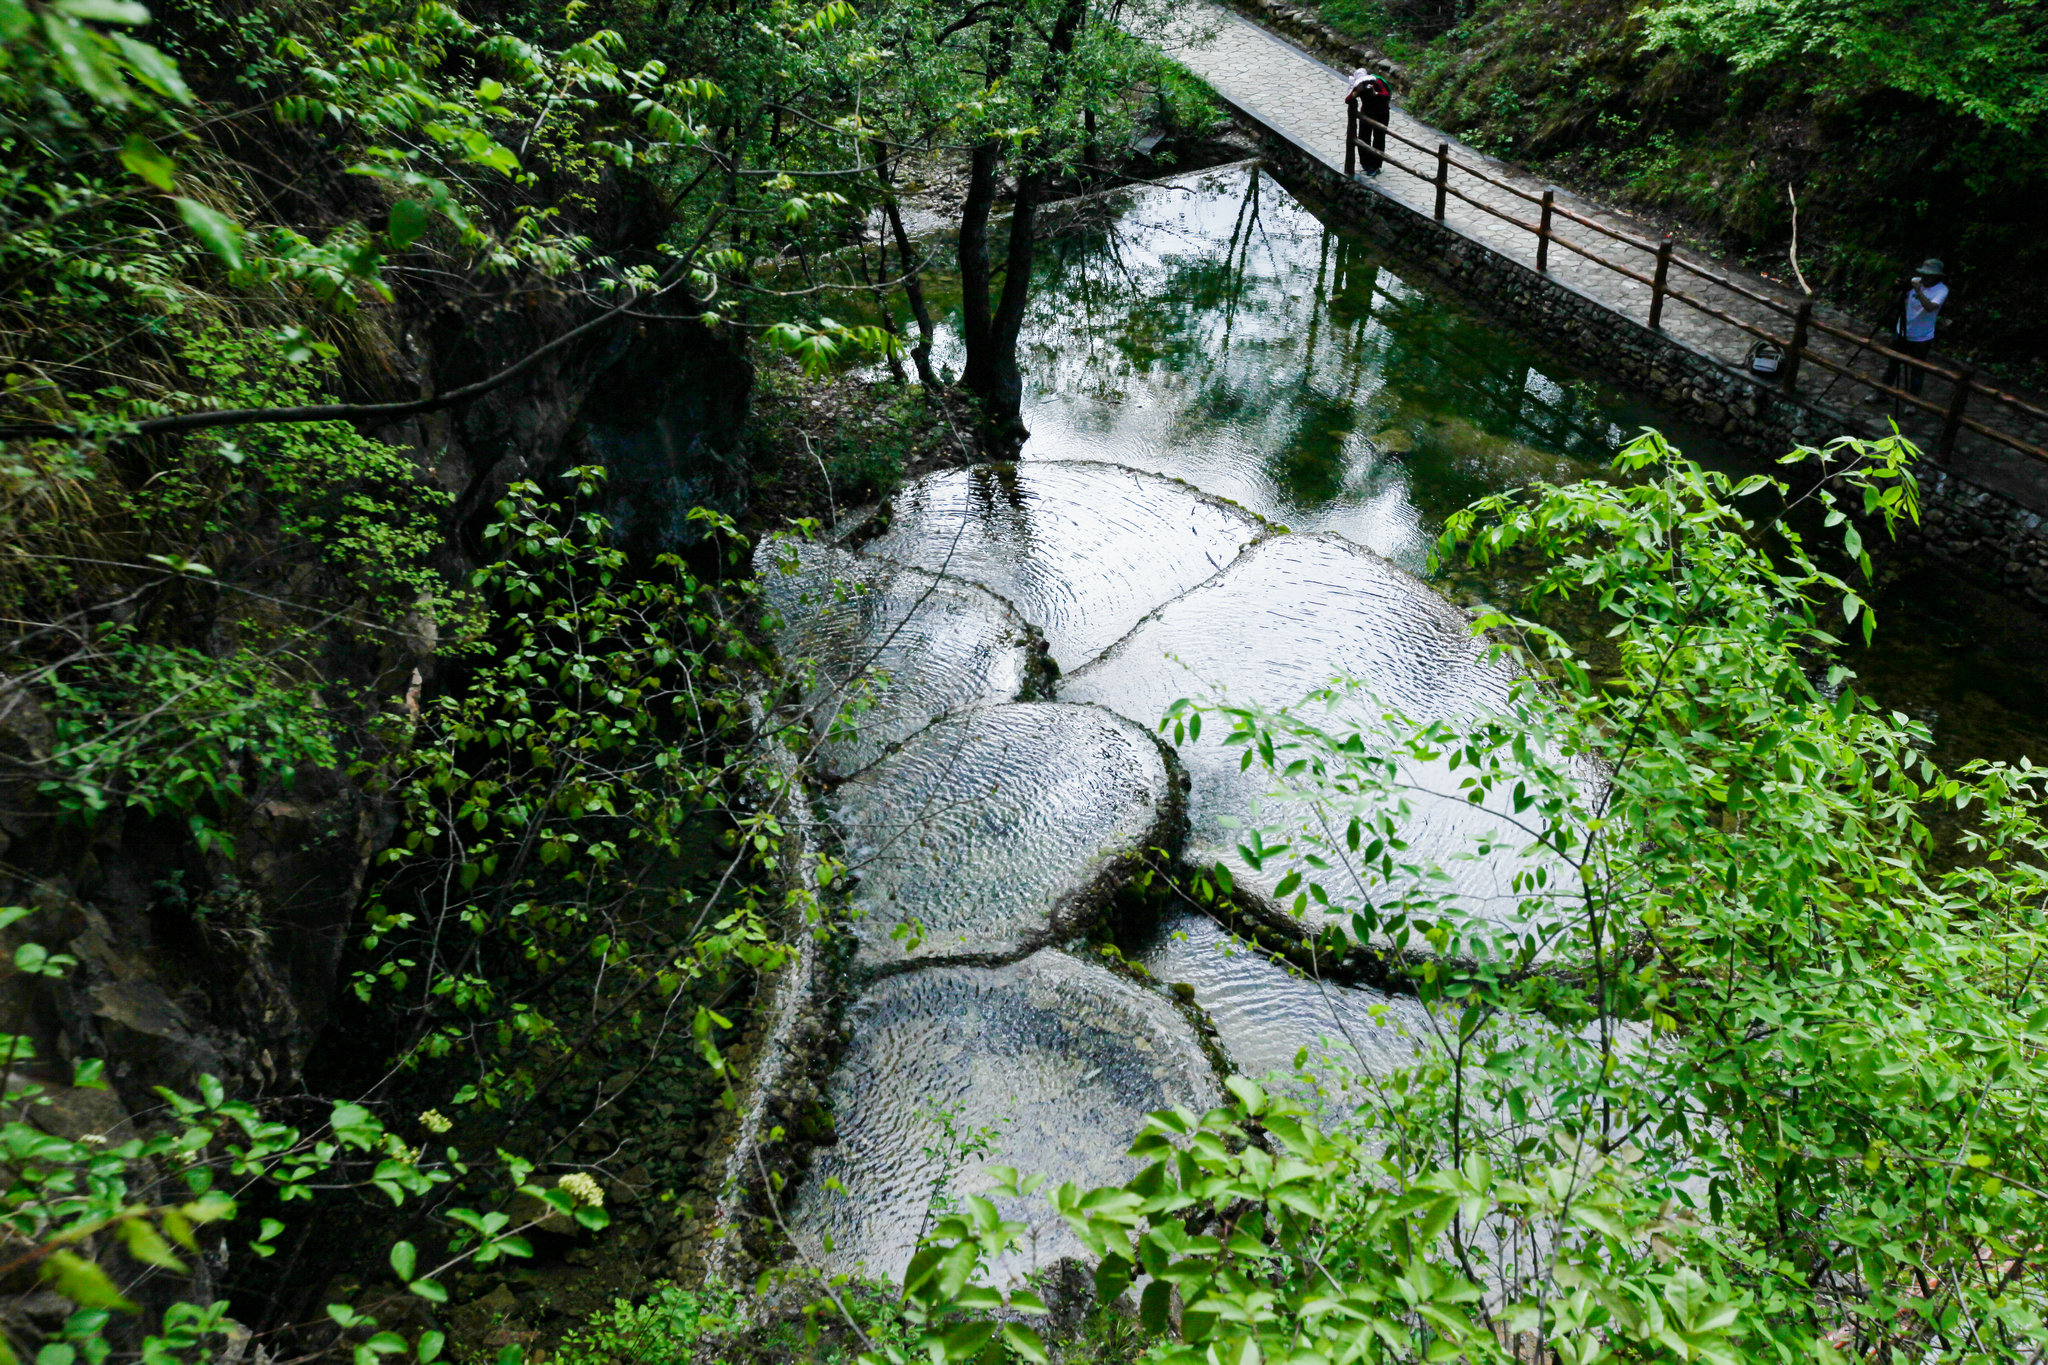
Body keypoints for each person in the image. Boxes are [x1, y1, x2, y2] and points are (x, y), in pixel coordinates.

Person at [1872, 258, 1947, 399]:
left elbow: (1930, 307)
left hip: (1922, 337)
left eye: (1929, 275)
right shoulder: (1914, 281)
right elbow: (1896, 292)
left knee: (1917, 370)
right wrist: (1898, 285)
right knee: (1892, 365)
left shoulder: (1941, 290)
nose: (1925, 277)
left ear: (1937, 276)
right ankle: (1881, 393)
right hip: (1902, 331)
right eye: (1924, 274)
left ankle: (1912, 400)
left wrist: (1918, 290)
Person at [1346, 68, 1392, 177]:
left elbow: (1386, 95)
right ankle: (1365, 163)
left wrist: (1375, 93)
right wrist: (1357, 92)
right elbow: (1347, 99)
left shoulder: (1377, 82)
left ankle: (1375, 165)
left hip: (1382, 113)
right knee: (1363, 137)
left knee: (1379, 138)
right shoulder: (1359, 87)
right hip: (1367, 113)